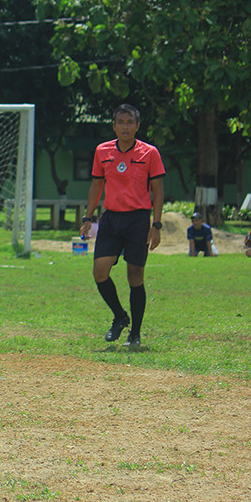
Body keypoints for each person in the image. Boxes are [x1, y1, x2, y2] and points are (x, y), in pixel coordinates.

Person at [80, 104, 165, 349]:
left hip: (138, 220)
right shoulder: (102, 151)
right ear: (114, 125)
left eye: (130, 122)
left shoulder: (150, 153)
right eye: (121, 122)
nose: (125, 126)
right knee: (100, 271)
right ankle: (119, 316)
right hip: (111, 219)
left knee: (135, 276)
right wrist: (88, 218)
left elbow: (158, 191)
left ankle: (135, 334)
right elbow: (96, 186)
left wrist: (156, 224)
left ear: (137, 126)